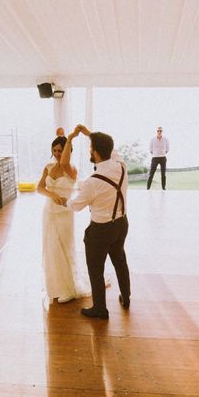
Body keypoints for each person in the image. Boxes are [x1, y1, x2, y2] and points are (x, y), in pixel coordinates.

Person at [59, 125, 131, 320]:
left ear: (96, 153)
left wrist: (63, 200)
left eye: (91, 149)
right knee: (120, 260)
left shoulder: (92, 182)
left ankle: (100, 309)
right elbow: (111, 149)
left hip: (100, 231)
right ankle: (126, 296)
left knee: (95, 269)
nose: (90, 151)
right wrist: (90, 134)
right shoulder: (121, 165)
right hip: (121, 224)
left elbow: (76, 205)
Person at [37, 135, 90, 304]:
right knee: (51, 249)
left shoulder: (71, 169)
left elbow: (64, 163)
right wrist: (51, 194)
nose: (57, 153)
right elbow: (39, 187)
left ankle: (68, 287)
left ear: (68, 151)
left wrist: (71, 138)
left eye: (60, 150)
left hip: (64, 214)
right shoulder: (48, 166)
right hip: (48, 213)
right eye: (54, 150)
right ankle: (54, 287)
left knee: (64, 248)